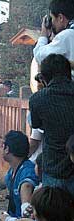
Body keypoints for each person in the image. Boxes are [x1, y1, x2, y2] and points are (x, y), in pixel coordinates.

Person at [29, 54, 74, 196]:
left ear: (44, 77)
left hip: (53, 166)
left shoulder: (38, 99)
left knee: (52, 213)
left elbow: (36, 124)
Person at [0, 130, 39, 221]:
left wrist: (25, 204)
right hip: (14, 218)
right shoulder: (14, 168)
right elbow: (3, 182)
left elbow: (26, 185)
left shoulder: (27, 169)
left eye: (3, 146)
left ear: (7, 149)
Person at [33, 0, 74, 76]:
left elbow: (40, 57)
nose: (52, 23)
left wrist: (43, 34)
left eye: (52, 18)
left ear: (61, 18)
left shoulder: (67, 35)